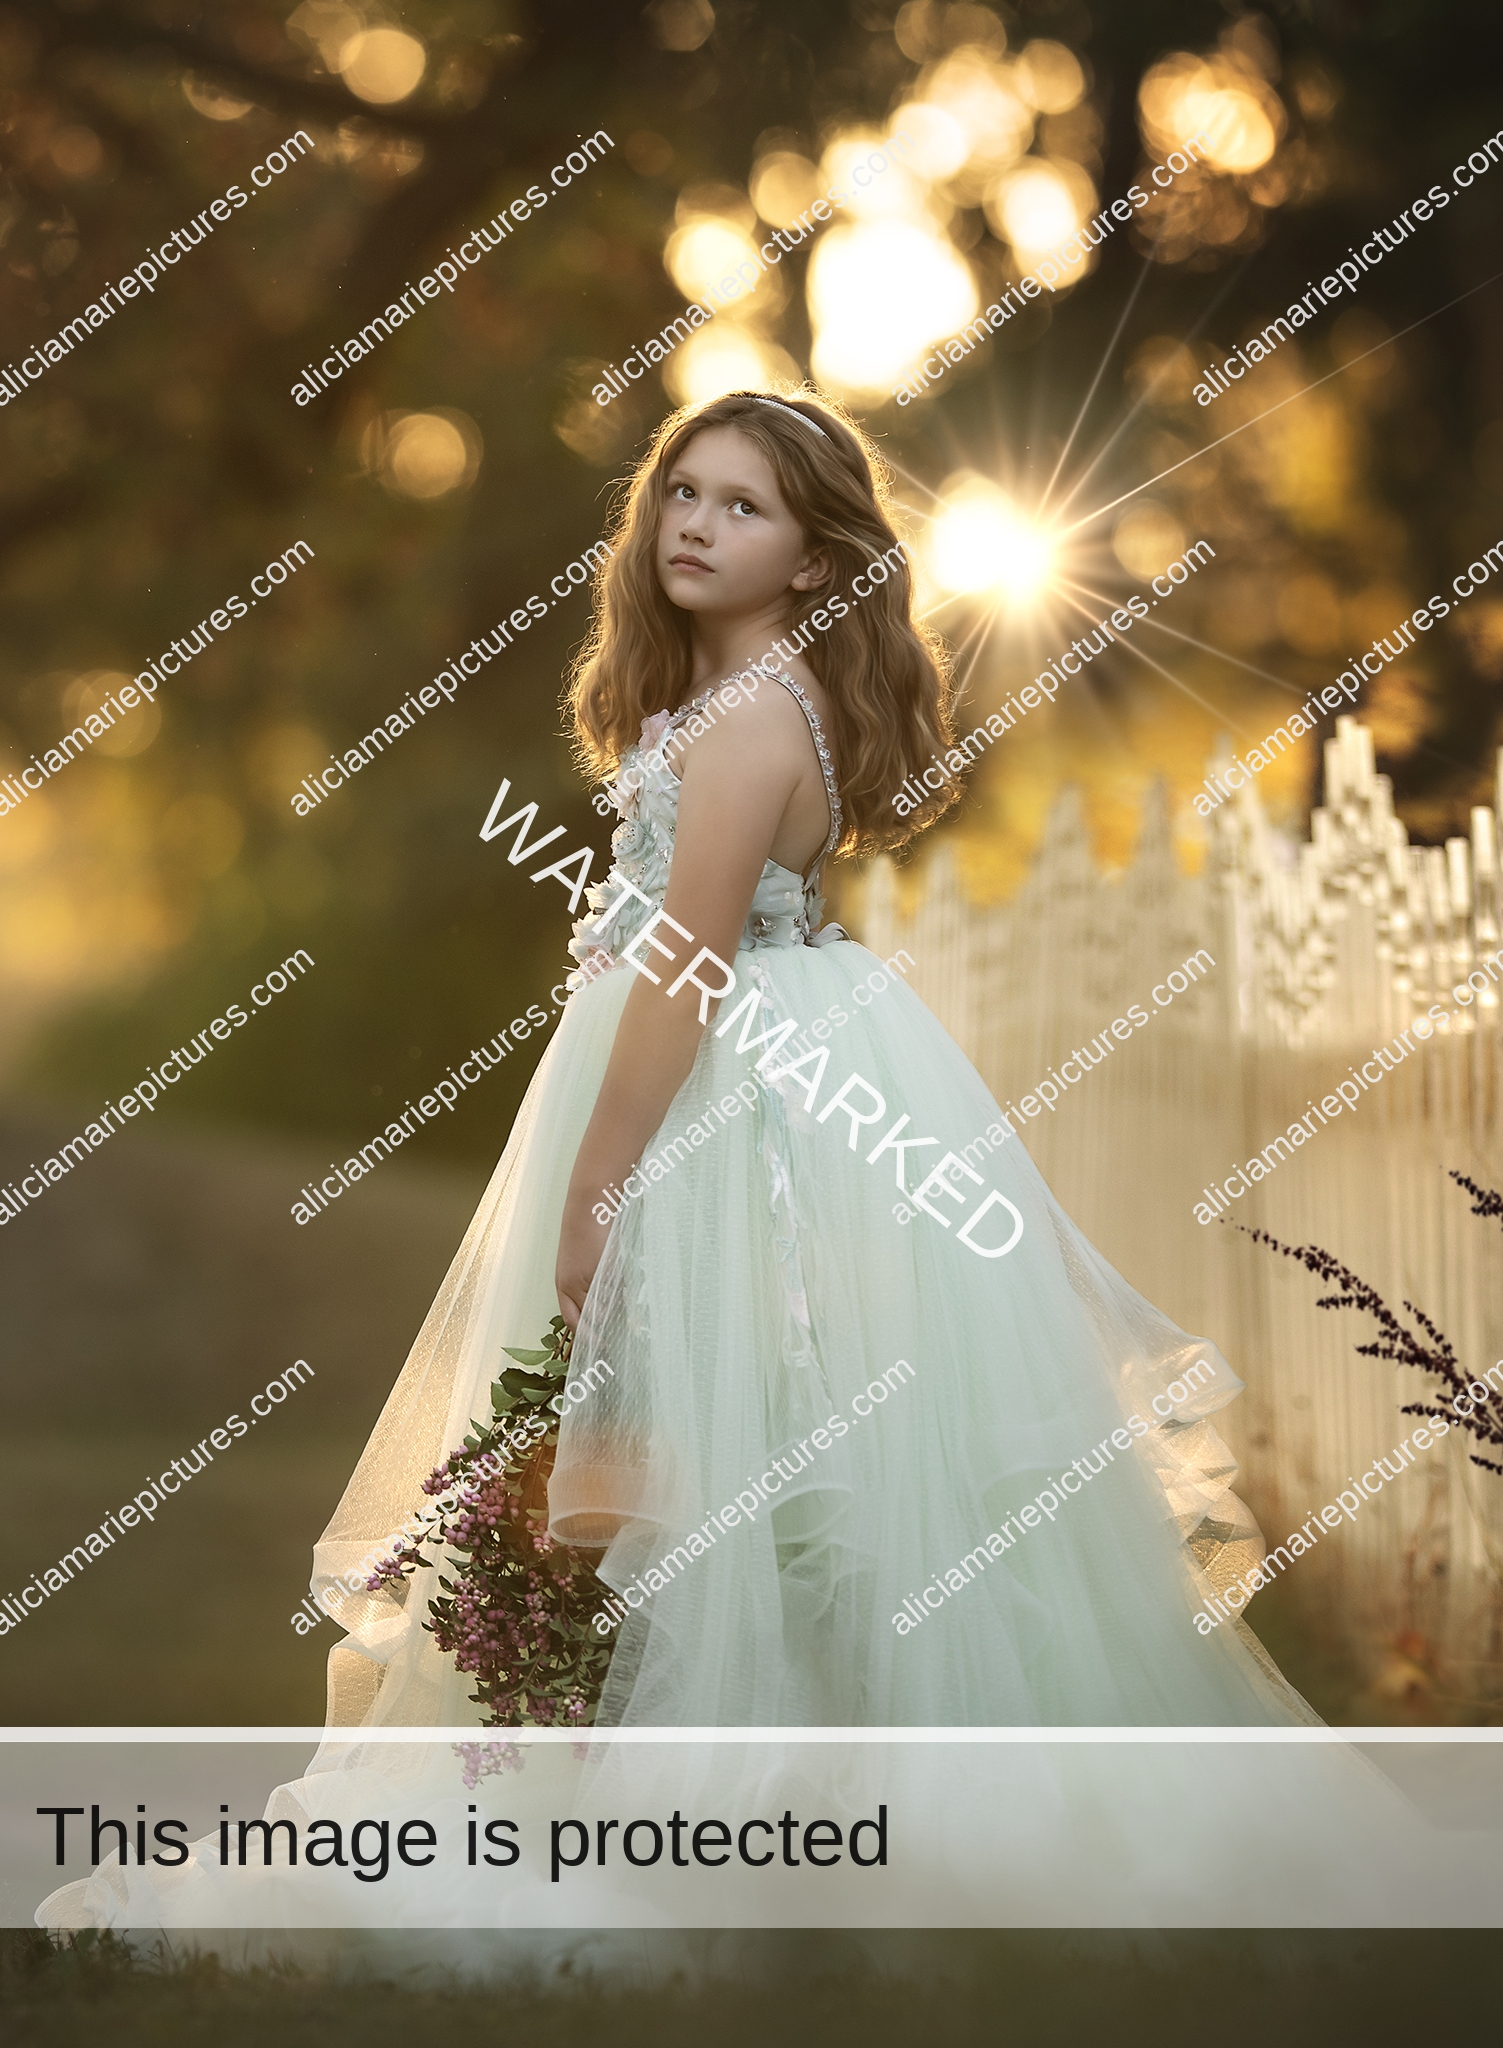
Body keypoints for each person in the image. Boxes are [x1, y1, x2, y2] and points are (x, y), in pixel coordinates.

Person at [304, 387, 1314, 1733]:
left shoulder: (748, 721)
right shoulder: (737, 702)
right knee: (741, 1414)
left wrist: (599, 1179)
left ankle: (738, 1753)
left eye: (744, 506)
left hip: (720, 1082)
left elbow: (686, 962)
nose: (697, 524)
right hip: (756, 1048)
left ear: (818, 559)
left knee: (721, 1405)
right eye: (682, 492)